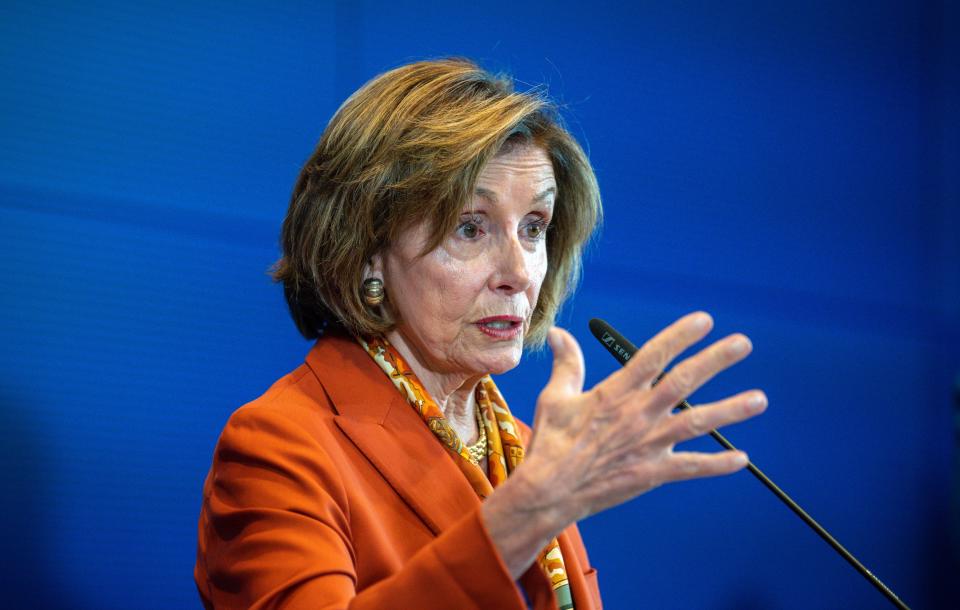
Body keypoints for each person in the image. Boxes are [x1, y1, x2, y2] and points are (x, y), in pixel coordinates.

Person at [194, 58, 767, 610]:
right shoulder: (281, 444)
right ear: (368, 253)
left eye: (534, 227)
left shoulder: (523, 450)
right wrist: (523, 517)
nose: (519, 273)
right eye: (471, 228)